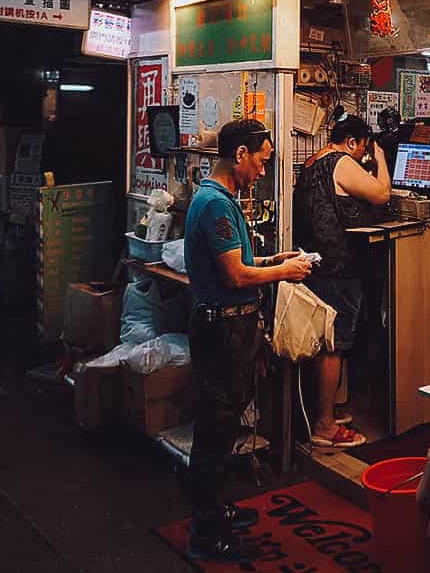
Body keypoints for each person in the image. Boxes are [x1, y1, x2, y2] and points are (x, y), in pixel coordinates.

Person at [184, 119, 312, 563]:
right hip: (222, 330)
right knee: (216, 431)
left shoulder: (218, 200)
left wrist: (273, 259)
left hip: (228, 326)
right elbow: (235, 275)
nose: (262, 169)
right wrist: (285, 272)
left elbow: (239, 260)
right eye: (261, 160)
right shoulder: (215, 204)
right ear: (239, 154)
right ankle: (206, 531)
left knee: (222, 423)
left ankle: (216, 509)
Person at [293, 115, 391, 449]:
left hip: (317, 263)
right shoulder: (341, 163)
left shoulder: (313, 160)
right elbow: (382, 194)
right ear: (352, 142)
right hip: (339, 266)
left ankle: (327, 412)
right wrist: (380, 159)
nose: (362, 155)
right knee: (334, 346)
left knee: (326, 342)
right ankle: (324, 425)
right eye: (362, 147)